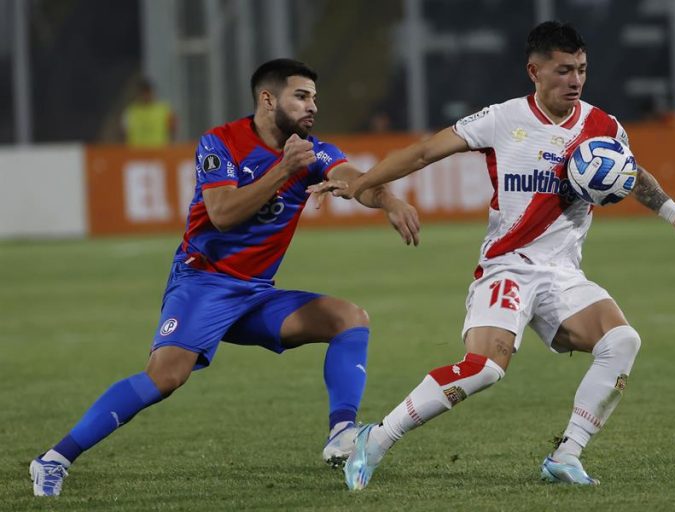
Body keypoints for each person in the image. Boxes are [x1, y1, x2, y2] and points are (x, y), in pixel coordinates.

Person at [321, 21, 675, 490]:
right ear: (534, 71)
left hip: (562, 274)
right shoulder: (502, 119)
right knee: (485, 369)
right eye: (563, 70)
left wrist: (674, 212)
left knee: (622, 341)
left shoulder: (603, 127)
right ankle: (377, 439)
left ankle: (566, 455)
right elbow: (424, 152)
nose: (575, 80)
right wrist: (362, 184)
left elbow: (632, 173)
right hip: (507, 267)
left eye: (581, 70)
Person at [29, 58, 420, 497]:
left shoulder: (313, 152)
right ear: (268, 99)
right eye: (301, 96)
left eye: (314, 97)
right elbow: (222, 213)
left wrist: (389, 202)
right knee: (165, 377)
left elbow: (357, 180)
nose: (312, 106)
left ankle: (343, 434)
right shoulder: (221, 143)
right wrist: (283, 170)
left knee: (348, 318)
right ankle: (53, 460)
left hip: (255, 294)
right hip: (203, 283)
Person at [122, 78, 177, 147]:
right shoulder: (130, 112)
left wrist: (171, 147)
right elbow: (124, 133)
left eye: (147, 92)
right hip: (137, 151)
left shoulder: (165, 110)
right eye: (143, 93)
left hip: (159, 151)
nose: (145, 96)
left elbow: (173, 130)